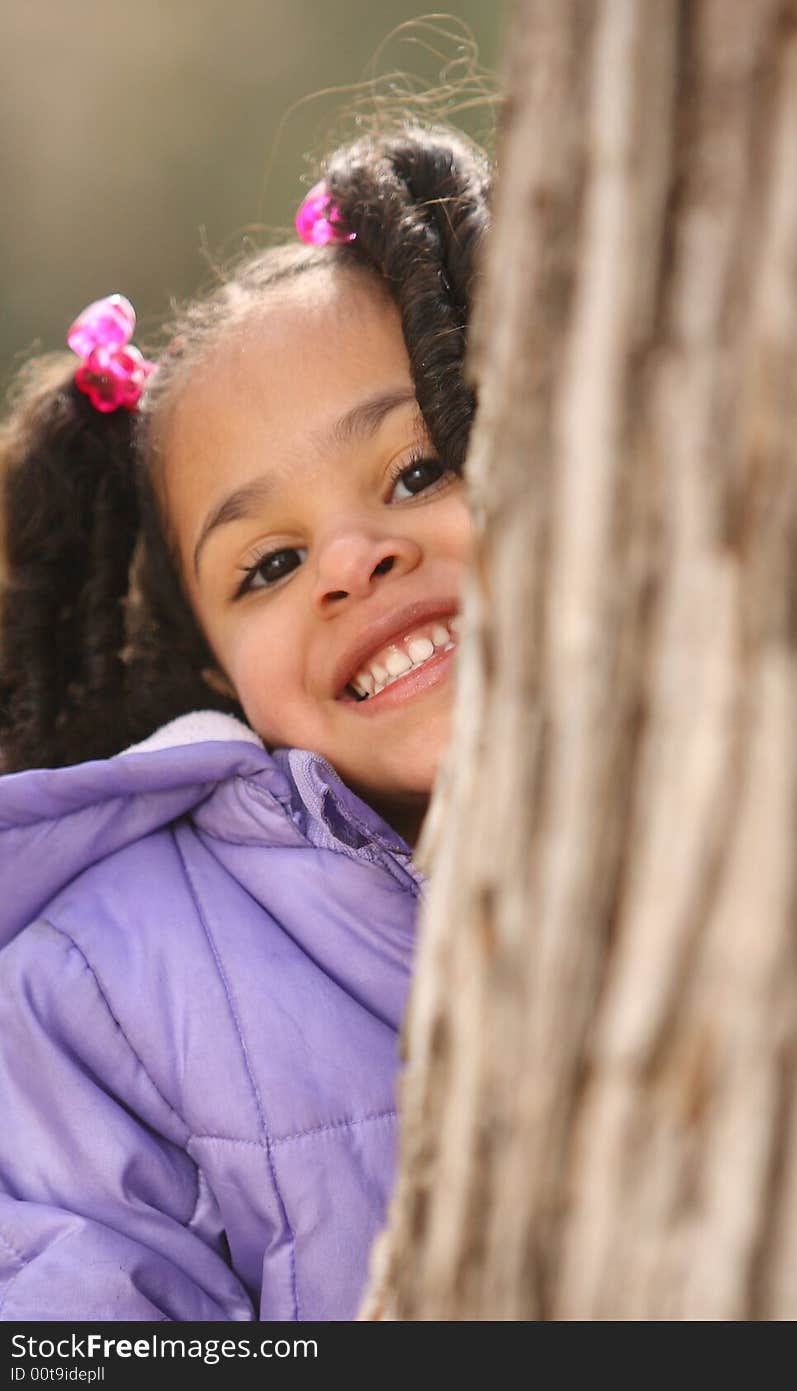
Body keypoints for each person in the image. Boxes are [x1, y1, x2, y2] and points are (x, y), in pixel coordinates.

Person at [0, 122, 490, 1321]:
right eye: (267, 563)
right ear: (214, 671)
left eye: (419, 471)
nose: (351, 559)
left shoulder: (793, 792)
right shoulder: (98, 980)